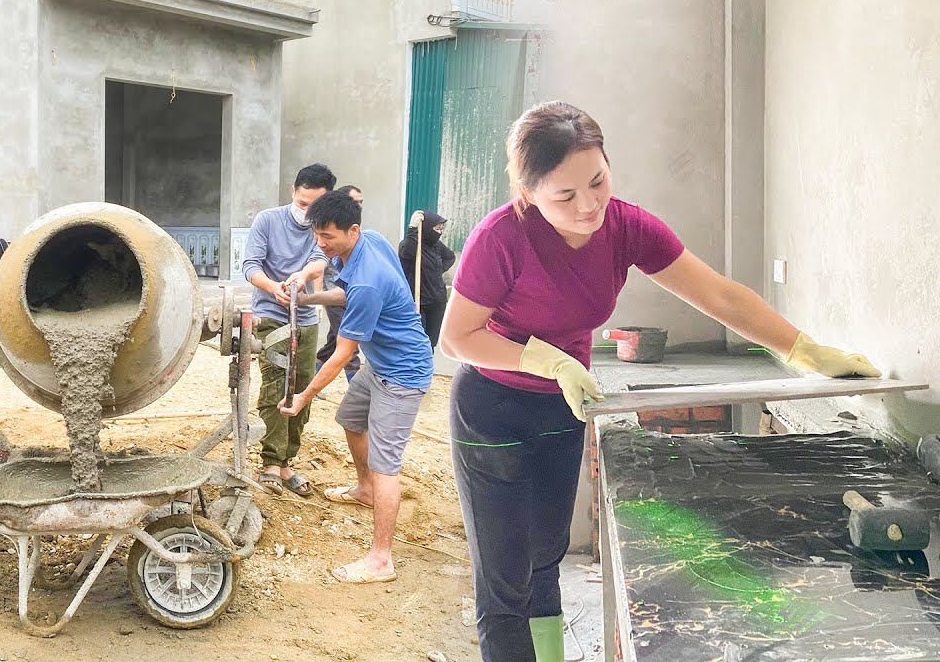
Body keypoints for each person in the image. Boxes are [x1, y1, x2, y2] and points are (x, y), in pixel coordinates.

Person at [438, 101, 881, 662]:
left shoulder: (626, 227)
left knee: (545, 554)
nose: (588, 205)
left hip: (563, 407)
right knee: (504, 577)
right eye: (565, 196)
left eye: (597, 182)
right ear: (528, 193)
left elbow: (718, 295)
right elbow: (457, 338)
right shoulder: (501, 237)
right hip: (492, 411)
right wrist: (548, 361)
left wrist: (804, 350)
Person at [280, 189, 434, 584]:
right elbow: (345, 291)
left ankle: (381, 560)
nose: (320, 243)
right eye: (316, 234)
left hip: (402, 375)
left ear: (352, 230)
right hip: (380, 363)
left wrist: (303, 397)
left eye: (327, 236)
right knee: (351, 418)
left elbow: (340, 355)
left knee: (386, 467)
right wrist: (307, 297)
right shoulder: (371, 241)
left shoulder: (368, 281)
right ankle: (365, 490)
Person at [241, 164, 335, 497]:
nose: (306, 211)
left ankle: (286, 463)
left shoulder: (323, 227)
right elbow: (250, 265)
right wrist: (273, 287)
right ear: (293, 192)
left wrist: (303, 276)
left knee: (302, 389)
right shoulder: (268, 220)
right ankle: (270, 461)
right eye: (302, 202)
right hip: (271, 314)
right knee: (275, 385)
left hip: (306, 318)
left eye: (314, 206)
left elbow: (320, 260)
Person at [316, 184, 365, 381]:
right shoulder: (328, 236)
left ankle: (311, 376)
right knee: (349, 348)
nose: (359, 206)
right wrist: (316, 298)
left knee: (332, 344)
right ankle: (355, 386)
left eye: (361, 202)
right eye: (355, 202)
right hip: (334, 296)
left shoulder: (356, 232)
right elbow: (319, 266)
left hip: (351, 294)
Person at [398, 209, 455, 349]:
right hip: (418, 301)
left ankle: (428, 362)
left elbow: (450, 257)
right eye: (437, 228)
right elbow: (407, 253)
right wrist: (412, 230)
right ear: (427, 227)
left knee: (431, 342)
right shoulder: (409, 245)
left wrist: (438, 271)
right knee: (418, 340)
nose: (439, 232)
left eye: (441, 229)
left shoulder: (436, 245)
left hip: (437, 301)